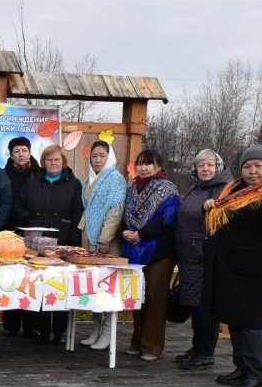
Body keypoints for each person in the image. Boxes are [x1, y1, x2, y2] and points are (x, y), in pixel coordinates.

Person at [201, 145, 262, 387]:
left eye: (258, 166)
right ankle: (242, 368)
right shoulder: (235, 191)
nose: (252, 171)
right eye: (247, 166)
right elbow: (221, 218)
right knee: (236, 319)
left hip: (252, 269)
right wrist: (210, 206)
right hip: (230, 267)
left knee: (251, 322)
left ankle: (260, 377)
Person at [13, 144, 83, 344]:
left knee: (60, 285)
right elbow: (18, 205)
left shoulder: (74, 184)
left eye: (57, 160)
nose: (53, 163)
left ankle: (60, 330)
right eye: (49, 160)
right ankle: (42, 329)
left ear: (63, 162)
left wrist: (72, 240)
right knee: (41, 284)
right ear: (43, 162)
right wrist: (30, 221)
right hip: (37, 241)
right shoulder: (33, 181)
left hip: (62, 240)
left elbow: (78, 213)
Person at [174, 150, 234, 369]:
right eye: (201, 166)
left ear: (218, 166)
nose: (206, 169)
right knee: (193, 305)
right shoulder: (195, 188)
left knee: (204, 307)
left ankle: (205, 351)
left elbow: (225, 219)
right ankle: (197, 347)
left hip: (206, 259)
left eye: (210, 165)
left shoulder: (225, 189)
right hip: (189, 257)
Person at [121, 149, 180, 361]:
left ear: (158, 166)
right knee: (138, 297)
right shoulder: (131, 189)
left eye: (149, 164)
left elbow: (168, 220)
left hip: (159, 251)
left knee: (156, 298)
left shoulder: (168, 189)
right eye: (140, 163)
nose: (143, 168)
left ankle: (152, 346)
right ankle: (136, 341)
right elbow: (124, 216)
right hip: (135, 251)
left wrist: (142, 235)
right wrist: (126, 232)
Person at [78, 141, 127, 350]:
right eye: (95, 156)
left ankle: (107, 332)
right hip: (88, 237)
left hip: (106, 241)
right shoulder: (90, 178)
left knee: (108, 286)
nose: (98, 160)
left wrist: (104, 240)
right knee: (94, 285)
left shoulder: (115, 179)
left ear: (110, 157)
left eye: (102, 156)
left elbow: (114, 212)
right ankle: (96, 329)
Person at [2, 136, 42, 337]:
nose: (20, 154)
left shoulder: (39, 173)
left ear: (29, 152)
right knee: (11, 278)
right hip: (9, 231)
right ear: (10, 154)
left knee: (32, 278)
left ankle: (31, 324)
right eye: (16, 151)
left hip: (34, 232)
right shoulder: (4, 174)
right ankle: (11, 324)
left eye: (24, 150)